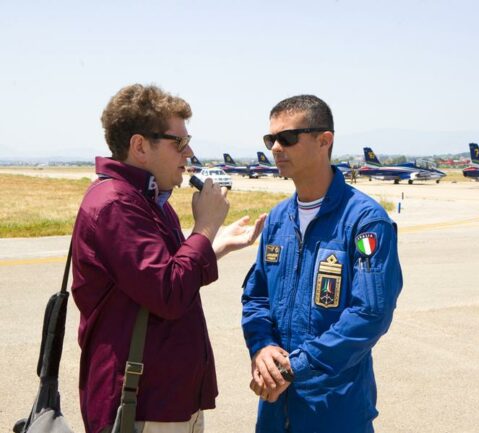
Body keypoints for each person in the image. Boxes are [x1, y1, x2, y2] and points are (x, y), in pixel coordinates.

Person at [71, 84, 265, 433]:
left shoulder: (149, 200)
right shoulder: (117, 205)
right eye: (179, 142)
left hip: (168, 398)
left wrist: (214, 245)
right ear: (140, 146)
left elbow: (162, 272)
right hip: (142, 404)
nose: (189, 152)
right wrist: (204, 228)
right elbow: (168, 292)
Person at [241, 95, 403, 432]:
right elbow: (256, 297)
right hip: (274, 410)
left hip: (334, 410)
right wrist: (262, 347)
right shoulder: (277, 220)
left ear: (324, 140)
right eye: (271, 140)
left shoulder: (365, 222)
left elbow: (370, 313)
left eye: (287, 138)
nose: (276, 148)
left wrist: (296, 367)